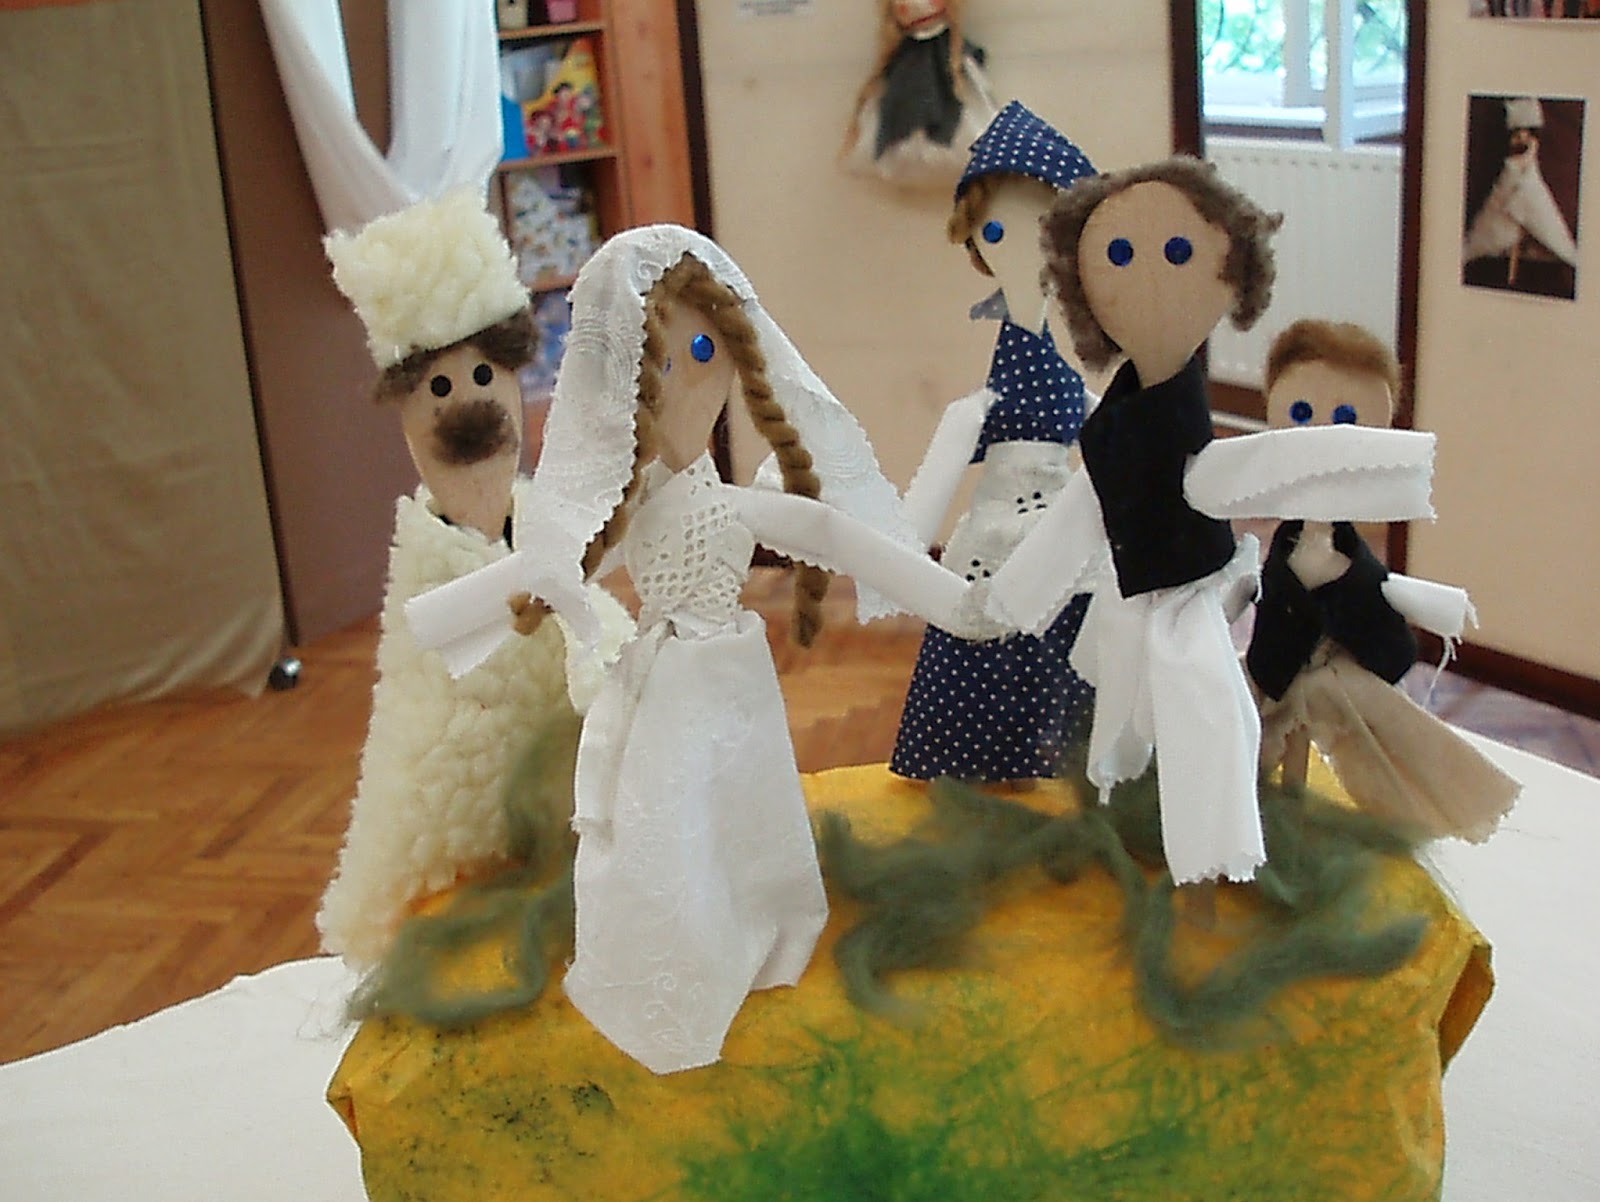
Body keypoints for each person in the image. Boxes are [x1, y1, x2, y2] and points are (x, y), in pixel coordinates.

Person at [405, 225, 977, 1074]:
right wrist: (452, 618)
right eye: (658, 361)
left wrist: (958, 604)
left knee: (744, 801)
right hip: (665, 680)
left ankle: (757, 916)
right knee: (669, 811)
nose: (682, 379)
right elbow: (549, 567)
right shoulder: (631, 509)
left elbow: (827, 530)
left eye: (703, 351)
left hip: (730, 671)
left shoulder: (731, 504)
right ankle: (679, 947)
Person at [986, 157, 1437, 885]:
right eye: (1119, 255)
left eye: (1177, 252)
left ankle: (1215, 861)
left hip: (1186, 599)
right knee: (1131, 721)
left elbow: (1223, 477)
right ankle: (1154, 833)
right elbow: (1089, 505)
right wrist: (1014, 597)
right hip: (1134, 596)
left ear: (1236, 277)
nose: (1149, 279)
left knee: (1212, 719)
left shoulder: (1177, 424)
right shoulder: (1120, 416)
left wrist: (1392, 471)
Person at [316, 188, 631, 967]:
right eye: (439, 387)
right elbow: (427, 703)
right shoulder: (430, 565)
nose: (468, 404)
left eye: (485, 374)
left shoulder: (543, 524)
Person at [891, 101, 1098, 783]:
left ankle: (1067, 768)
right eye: (997, 231)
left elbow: (1105, 431)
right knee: (990, 631)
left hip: (1064, 526)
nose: (1016, 249)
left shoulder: (1065, 364)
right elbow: (952, 454)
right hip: (999, 530)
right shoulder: (991, 392)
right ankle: (988, 768)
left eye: (1040, 230)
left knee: (1075, 632)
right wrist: (901, 552)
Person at [1247, 319, 1518, 840]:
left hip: (1337, 680)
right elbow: (1266, 611)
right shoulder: (1283, 543)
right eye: (1302, 414)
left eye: (1346, 418)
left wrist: (1343, 580)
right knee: (1249, 746)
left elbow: (1390, 646)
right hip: (1277, 673)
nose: (1324, 434)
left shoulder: (1354, 560)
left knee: (1387, 753)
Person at [841, 0, 998, 187]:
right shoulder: (902, 50)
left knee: (951, 101)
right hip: (911, 64)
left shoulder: (952, 49)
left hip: (943, 62)